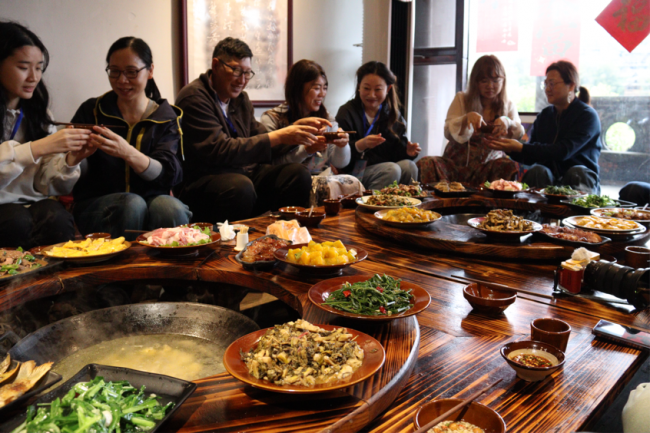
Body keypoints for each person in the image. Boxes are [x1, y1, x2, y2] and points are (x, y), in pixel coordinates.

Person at [175, 37, 317, 223]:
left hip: (243, 175)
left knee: (297, 174)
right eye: (236, 71)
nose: (242, 80)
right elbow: (219, 149)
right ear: (216, 65)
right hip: (205, 181)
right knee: (240, 186)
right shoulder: (194, 97)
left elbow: (261, 138)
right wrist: (279, 136)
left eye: (247, 73)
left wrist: (297, 131)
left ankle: (284, 234)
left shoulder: (240, 100)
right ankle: (230, 239)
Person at [71, 37, 190, 240]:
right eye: (114, 71)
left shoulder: (165, 117)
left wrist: (127, 152)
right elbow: (71, 171)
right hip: (98, 204)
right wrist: (75, 156)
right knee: (131, 204)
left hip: (153, 199)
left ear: (150, 71)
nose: (122, 80)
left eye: (131, 72)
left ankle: (173, 261)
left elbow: (169, 174)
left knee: (169, 208)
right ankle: (119, 261)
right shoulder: (92, 111)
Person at [0, 22, 90, 249]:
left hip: (32, 203)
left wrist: (71, 160)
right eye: (23, 67)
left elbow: (47, 185)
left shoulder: (40, 115)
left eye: (39, 68)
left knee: (57, 218)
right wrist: (37, 147)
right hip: (7, 209)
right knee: (15, 221)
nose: (34, 77)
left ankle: (56, 275)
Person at [488, 60, 602, 194]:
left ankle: (579, 208)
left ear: (571, 85)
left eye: (552, 84)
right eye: (546, 84)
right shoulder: (545, 116)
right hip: (550, 180)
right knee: (538, 171)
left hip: (580, 180)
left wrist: (521, 147)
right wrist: (508, 147)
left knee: (576, 172)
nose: (547, 89)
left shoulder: (587, 116)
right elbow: (531, 156)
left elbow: (563, 151)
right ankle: (531, 208)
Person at [261, 59, 363, 204]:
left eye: (325, 88)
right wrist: (306, 150)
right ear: (297, 88)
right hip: (288, 183)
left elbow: (340, 163)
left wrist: (342, 145)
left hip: (323, 177)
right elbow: (272, 166)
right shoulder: (272, 119)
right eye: (316, 88)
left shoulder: (326, 118)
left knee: (352, 182)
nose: (322, 94)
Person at [417, 55, 523, 185]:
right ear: (475, 81)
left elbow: (519, 133)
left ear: (503, 81)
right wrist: (465, 119)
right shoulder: (461, 99)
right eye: (484, 81)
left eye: (495, 81)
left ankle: (493, 198)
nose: (490, 86)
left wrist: (507, 121)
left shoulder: (508, 105)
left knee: (508, 165)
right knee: (427, 163)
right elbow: (448, 132)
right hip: (454, 166)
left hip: (488, 169)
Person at [335, 61, 421, 190]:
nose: (371, 95)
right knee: (391, 169)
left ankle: (404, 202)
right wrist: (361, 144)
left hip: (385, 168)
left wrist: (407, 152)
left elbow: (396, 155)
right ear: (359, 86)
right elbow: (338, 156)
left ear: (388, 89)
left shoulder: (393, 115)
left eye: (378, 89)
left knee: (409, 166)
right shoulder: (346, 112)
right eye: (366, 88)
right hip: (355, 172)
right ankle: (372, 202)